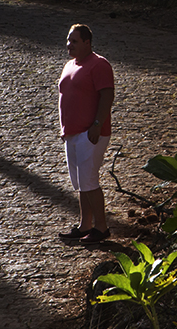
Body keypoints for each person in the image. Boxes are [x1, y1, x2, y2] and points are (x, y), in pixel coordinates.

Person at [57, 23, 115, 242]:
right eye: (68, 40)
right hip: (72, 133)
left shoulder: (99, 64)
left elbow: (107, 95)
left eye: (74, 41)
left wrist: (97, 124)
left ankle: (101, 227)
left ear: (87, 43)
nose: (69, 44)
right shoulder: (70, 65)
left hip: (91, 133)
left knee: (89, 181)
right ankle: (85, 225)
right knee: (80, 182)